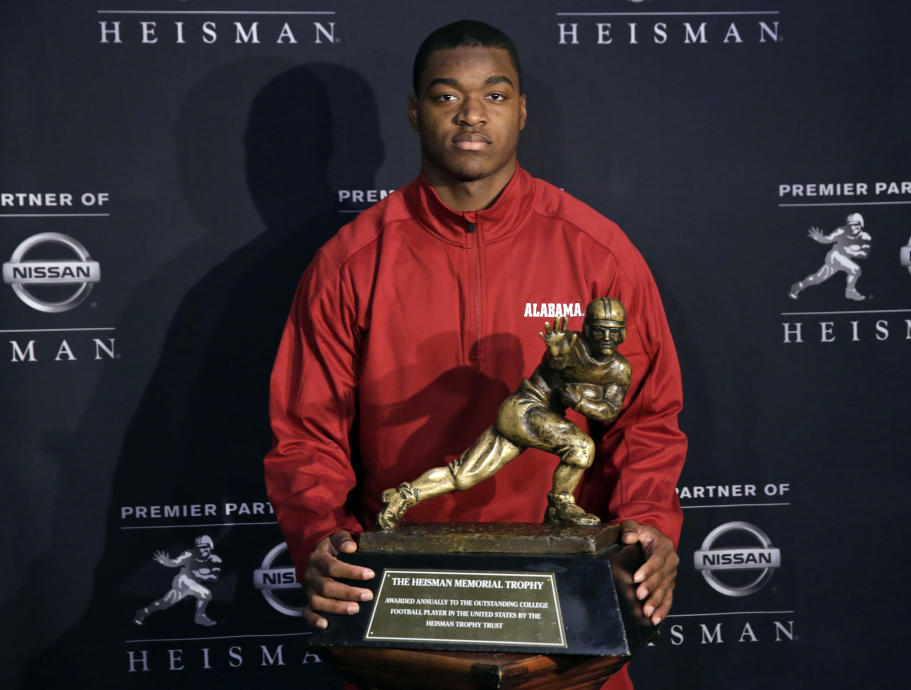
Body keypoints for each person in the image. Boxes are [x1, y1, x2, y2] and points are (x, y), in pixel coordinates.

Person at [264, 20, 685, 688]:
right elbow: (305, 435)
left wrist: (649, 528)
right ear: (412, 111)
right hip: (408, 612)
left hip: (564, 613)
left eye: (494, 95)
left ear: (521, 110)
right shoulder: (351, 263)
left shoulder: (596, 252)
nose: (470, 115)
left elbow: (649, 421)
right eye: (445, 96)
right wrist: (322, 541)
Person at [377, 299, 633, 529]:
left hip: (533, 419)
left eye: (613, 331)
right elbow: (558, 363)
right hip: (525, 409)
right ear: (587, 328)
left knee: (463, 476)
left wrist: (578, 401)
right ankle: (560, 506)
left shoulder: (619, 369)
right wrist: (557, 357)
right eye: (600, 329)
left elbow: (608, 410)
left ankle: (404, 496)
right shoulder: (567, 343)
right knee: (581, 448)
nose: (606, 338)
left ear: (622, 332)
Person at [133, 535, 221, 627]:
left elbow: (213, 576)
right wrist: (166, 562)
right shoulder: (189, 554)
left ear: (210, 547)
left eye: (206, 547)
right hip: (183, 580)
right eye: (201, 547)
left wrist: (207, 575)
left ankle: (143, 612)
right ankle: (200, 616)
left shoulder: (212, 558)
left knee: (165, 603)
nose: (203, 549)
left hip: (194, 583)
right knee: (205, 594)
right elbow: (175, 562)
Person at [789, 212, 871, 301]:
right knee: (855, 270)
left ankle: (798, 286)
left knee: (818, 278)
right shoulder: (842, 231)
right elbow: (829, 239)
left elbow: (864, 254)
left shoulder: (866, 238)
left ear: (861, 224)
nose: (852, 227)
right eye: (850, 225)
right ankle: (850, 291)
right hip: (835, 256)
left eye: (855, 224)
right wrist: (820, 238)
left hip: (844, 260)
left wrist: (851, 251)